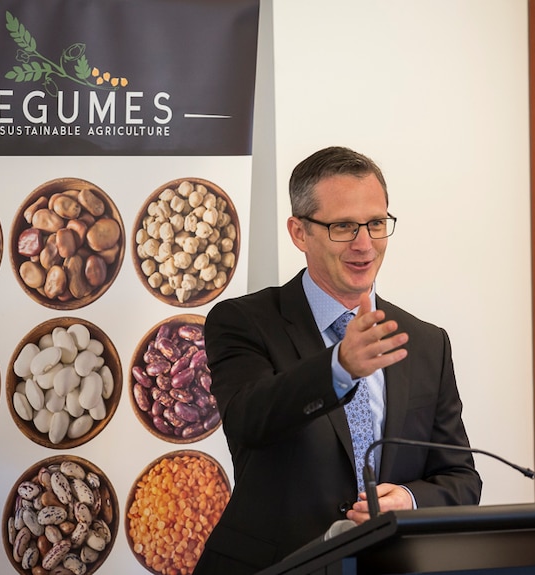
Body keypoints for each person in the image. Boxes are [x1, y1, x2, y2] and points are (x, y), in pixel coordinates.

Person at [193, 146, 482, 575]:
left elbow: (460, 478)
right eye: (343, 226)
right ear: (299, 232)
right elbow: (249, 419)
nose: (364, 244)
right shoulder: (243, 321)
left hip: (389, 564)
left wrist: (409, 499)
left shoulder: (426, 342)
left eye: (376, 224)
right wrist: (339, 367)